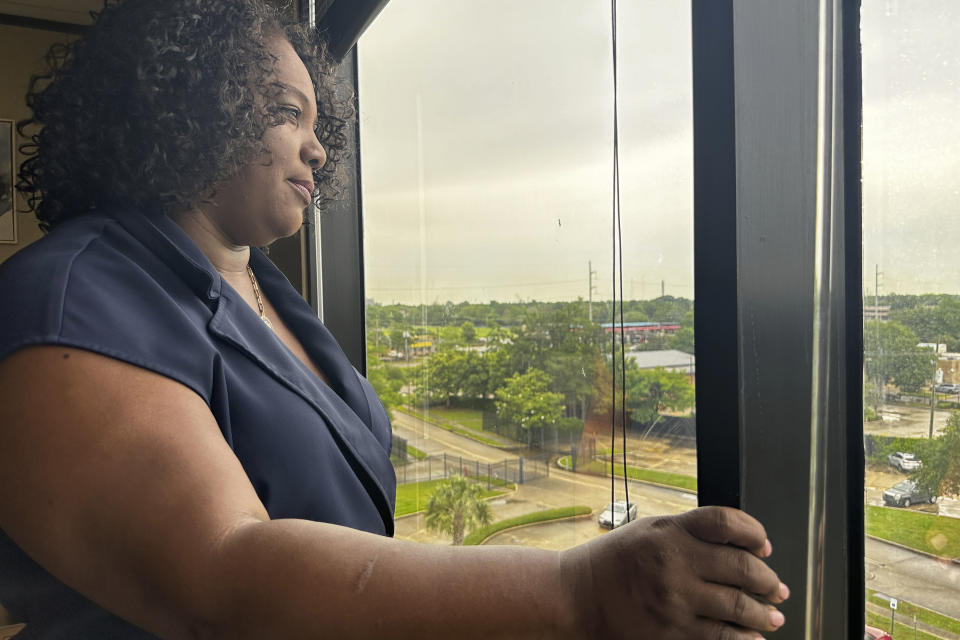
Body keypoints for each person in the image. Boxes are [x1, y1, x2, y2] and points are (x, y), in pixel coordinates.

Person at [0, 1, 789, 637]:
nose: (315, 149)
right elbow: (222, 575)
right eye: (285, 111)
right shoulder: (70, 300)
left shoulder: (264, 291)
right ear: (182, 107)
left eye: (319, 124)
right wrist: (580, 588)